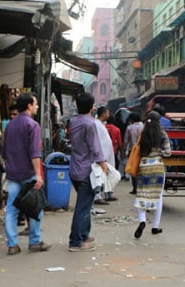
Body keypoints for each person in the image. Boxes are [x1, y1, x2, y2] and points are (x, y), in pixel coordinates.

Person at [2, 93, 50, 255]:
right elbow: (34, 153)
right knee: (36, 207)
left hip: (13, 173)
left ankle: (12, 244)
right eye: (35, 103)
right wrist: (38, 175)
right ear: (29, 105)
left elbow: (4, 152)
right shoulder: (32, 125)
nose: (36, 106)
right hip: (29, 173)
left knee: (11, 209)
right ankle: (35, 241)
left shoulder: (9, 125)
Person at [68, 92, 107, 252]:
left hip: (75, 168)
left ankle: (84, 235)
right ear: (91, 107)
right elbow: (95, 146)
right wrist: (103, 164)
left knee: (85, 204)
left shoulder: (73, 121)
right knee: (83, 207)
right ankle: (76, 241)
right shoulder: (90, 124)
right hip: (87, 170)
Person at [134, 111, 172, 238]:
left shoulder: (142, 134)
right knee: (158, 196)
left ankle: (142, 221)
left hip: (143, 167)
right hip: (157, 167)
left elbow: (138, 150)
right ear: (158, 122)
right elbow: (167, 153)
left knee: (142, 194)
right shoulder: (162, 134)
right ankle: (155, 226)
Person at [94, 106, 117, 203]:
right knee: (99, 176)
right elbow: (97, 140)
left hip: (106, 155)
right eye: (107, 113)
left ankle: (107, 194)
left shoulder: (101, 124)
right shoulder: (96, 124)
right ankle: (98, 197)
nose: (108, 115)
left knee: (107, 175)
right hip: (101, 156)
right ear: (102, 114)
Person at [123, 113, 144, 194]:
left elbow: (126, 141)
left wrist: (124, 150)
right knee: (141, 169)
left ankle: (135, 188)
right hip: (142, 150)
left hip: (132, 151)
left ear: (132, 119)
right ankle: (141, 187)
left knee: (133, 168)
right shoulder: (143, 126)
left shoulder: (129, 128)